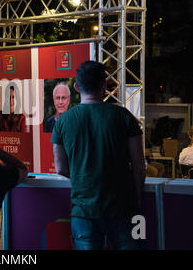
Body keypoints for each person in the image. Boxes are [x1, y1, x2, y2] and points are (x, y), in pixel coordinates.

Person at [51, 61, 145, 250]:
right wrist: (137, 197)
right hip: (124, 208)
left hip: (83, 210)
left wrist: (85, 175)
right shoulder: (124, 116)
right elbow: (139, 165)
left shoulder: (63, 122)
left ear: (76, 87)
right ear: (104, 86)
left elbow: (61, 168)